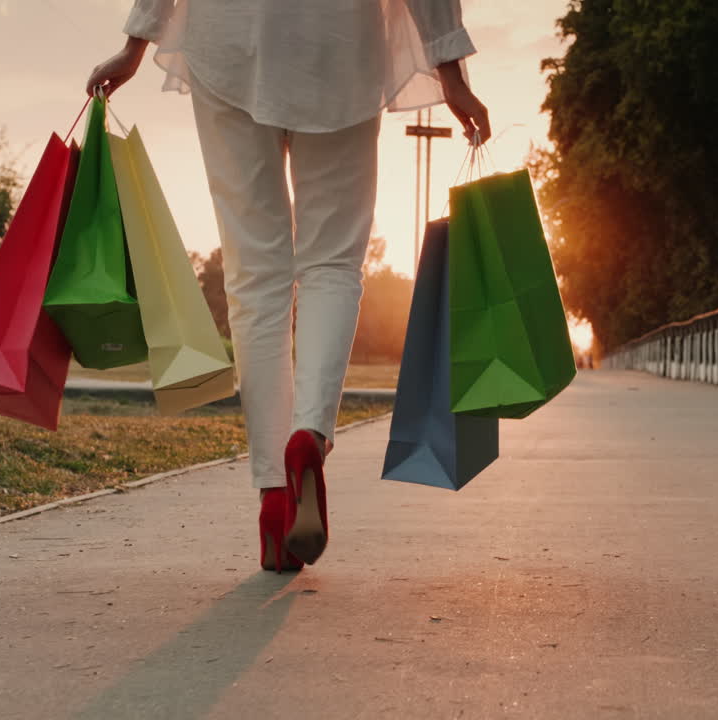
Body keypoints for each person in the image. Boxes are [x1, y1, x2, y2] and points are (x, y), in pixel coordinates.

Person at [86, 0, 490, 572]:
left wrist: (135, 46)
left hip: (227, 41)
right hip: (337, 47)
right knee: (332, 264)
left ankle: (274, 498)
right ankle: (309, 433)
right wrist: (450, 70)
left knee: (256, 278)